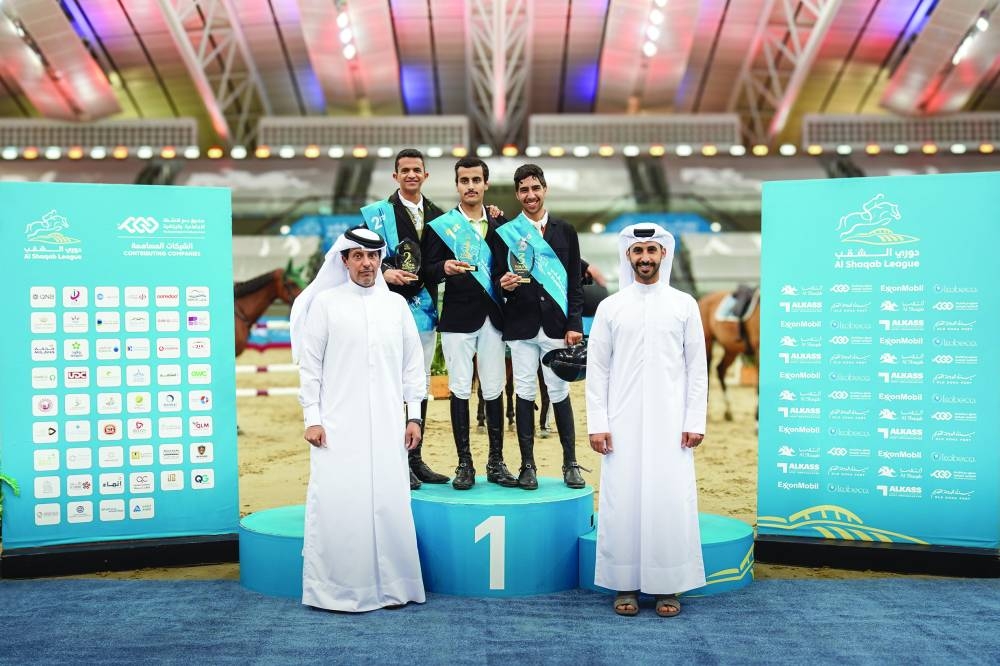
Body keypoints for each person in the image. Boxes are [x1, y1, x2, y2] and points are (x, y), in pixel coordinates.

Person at [290, 227, 426, 612]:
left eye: (373, 257)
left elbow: (412, 367)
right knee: (340, 503)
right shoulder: (326, 304)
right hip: (337, 428)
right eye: (358, 257)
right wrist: (312, 418)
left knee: (389, 502)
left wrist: (414, 417)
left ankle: (395, 587)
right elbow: (310, 368)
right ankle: (337, 590)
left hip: (387, 426)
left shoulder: (396, 307)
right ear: (345, 260)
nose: (367, 264)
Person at [585, 223, 708, 618]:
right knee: (623, 501)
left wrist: (695, 419)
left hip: (672, 424)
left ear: (663, 255)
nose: (645, 258)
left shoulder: (684, 305)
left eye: (651, 251)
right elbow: (597, 371)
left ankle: (668, 585)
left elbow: (697, 369)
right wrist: (597, 422)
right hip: (620, 425)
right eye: (638, 252)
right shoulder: (611, 307)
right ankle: (625, 584)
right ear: (628, 256)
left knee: (668, 500)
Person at [423, 157, 516, 490]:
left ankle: (496, 463)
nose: (471, 186)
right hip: (457, 318)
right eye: (465, 180)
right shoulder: (442, 226)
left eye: (477, 180)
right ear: (457, 185)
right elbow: (427, 269)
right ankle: (465, 464)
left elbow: (509, 263)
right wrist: (443, 268)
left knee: (493, 389)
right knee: (460, 389)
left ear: (486, 184)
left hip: (493, 316)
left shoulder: (500, 220)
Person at [361, 148, 449, 490]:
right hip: (387, 309)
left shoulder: (441, 217)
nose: (411, 175)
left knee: (419, 384)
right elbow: (360, 255)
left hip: (425, 311)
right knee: (391, 384)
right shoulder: (376, 215)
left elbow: (444, 259)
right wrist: (385, 272)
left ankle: (415, 458)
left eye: (417, 170)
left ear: (425, 176)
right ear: (395, 176)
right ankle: (392, 459)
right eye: (405, 170)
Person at [493, 164, 585, 490]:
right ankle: (527, 466)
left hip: (557, 327)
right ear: (517, 194)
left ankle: (570, 462)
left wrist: (574, 323)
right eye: (523, 190)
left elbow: (575, 282)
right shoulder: (507, 233)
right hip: (521, 325)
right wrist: (502, 284)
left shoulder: (566, 231)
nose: (530, 195)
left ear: (544, 189)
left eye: (535, 188)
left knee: (559, 391)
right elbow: (495, 277)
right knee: (524, 391)